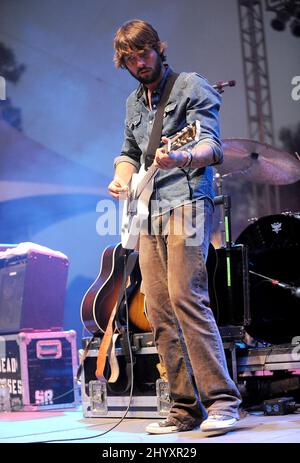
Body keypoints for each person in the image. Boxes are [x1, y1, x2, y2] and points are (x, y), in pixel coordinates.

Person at [108, 19, 241, 435]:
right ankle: (184, 409)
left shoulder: (191, 86)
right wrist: (121, 177)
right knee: (159, 309)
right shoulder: (133, 103)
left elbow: (211, 147)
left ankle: (223, 401)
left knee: (187, 298)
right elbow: (130, 151)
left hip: (188, 204)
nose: (139, 63)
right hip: (148, 211)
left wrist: (181, 159)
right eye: (130, 59)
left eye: (144, 54)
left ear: (159, 48)